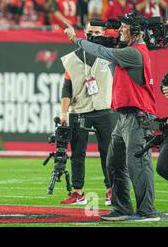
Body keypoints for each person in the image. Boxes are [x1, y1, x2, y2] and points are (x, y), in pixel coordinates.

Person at [64, 11, 160, 222]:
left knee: (138, 164)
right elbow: (105, 44)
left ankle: (147, 211)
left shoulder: (134, 53)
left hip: (138, 116)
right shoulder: (130, 49)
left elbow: (100, 50)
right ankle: (122, 208)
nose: (120, 31)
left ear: (135, 31)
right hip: (125, 116)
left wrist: (75, 38)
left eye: (125, 27)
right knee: (114, 162)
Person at [59, 21, 113, 206]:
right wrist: (63, 113)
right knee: (77, 152)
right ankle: (77, 191)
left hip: (103, 108)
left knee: (108, 151)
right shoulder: (72, 58)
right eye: (89, 32)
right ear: (84, 32)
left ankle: (111, 189)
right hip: (79, 108)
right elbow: (67, 88)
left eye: (97, 32)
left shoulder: (111, 54)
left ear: (104, 33)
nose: (92, 36)